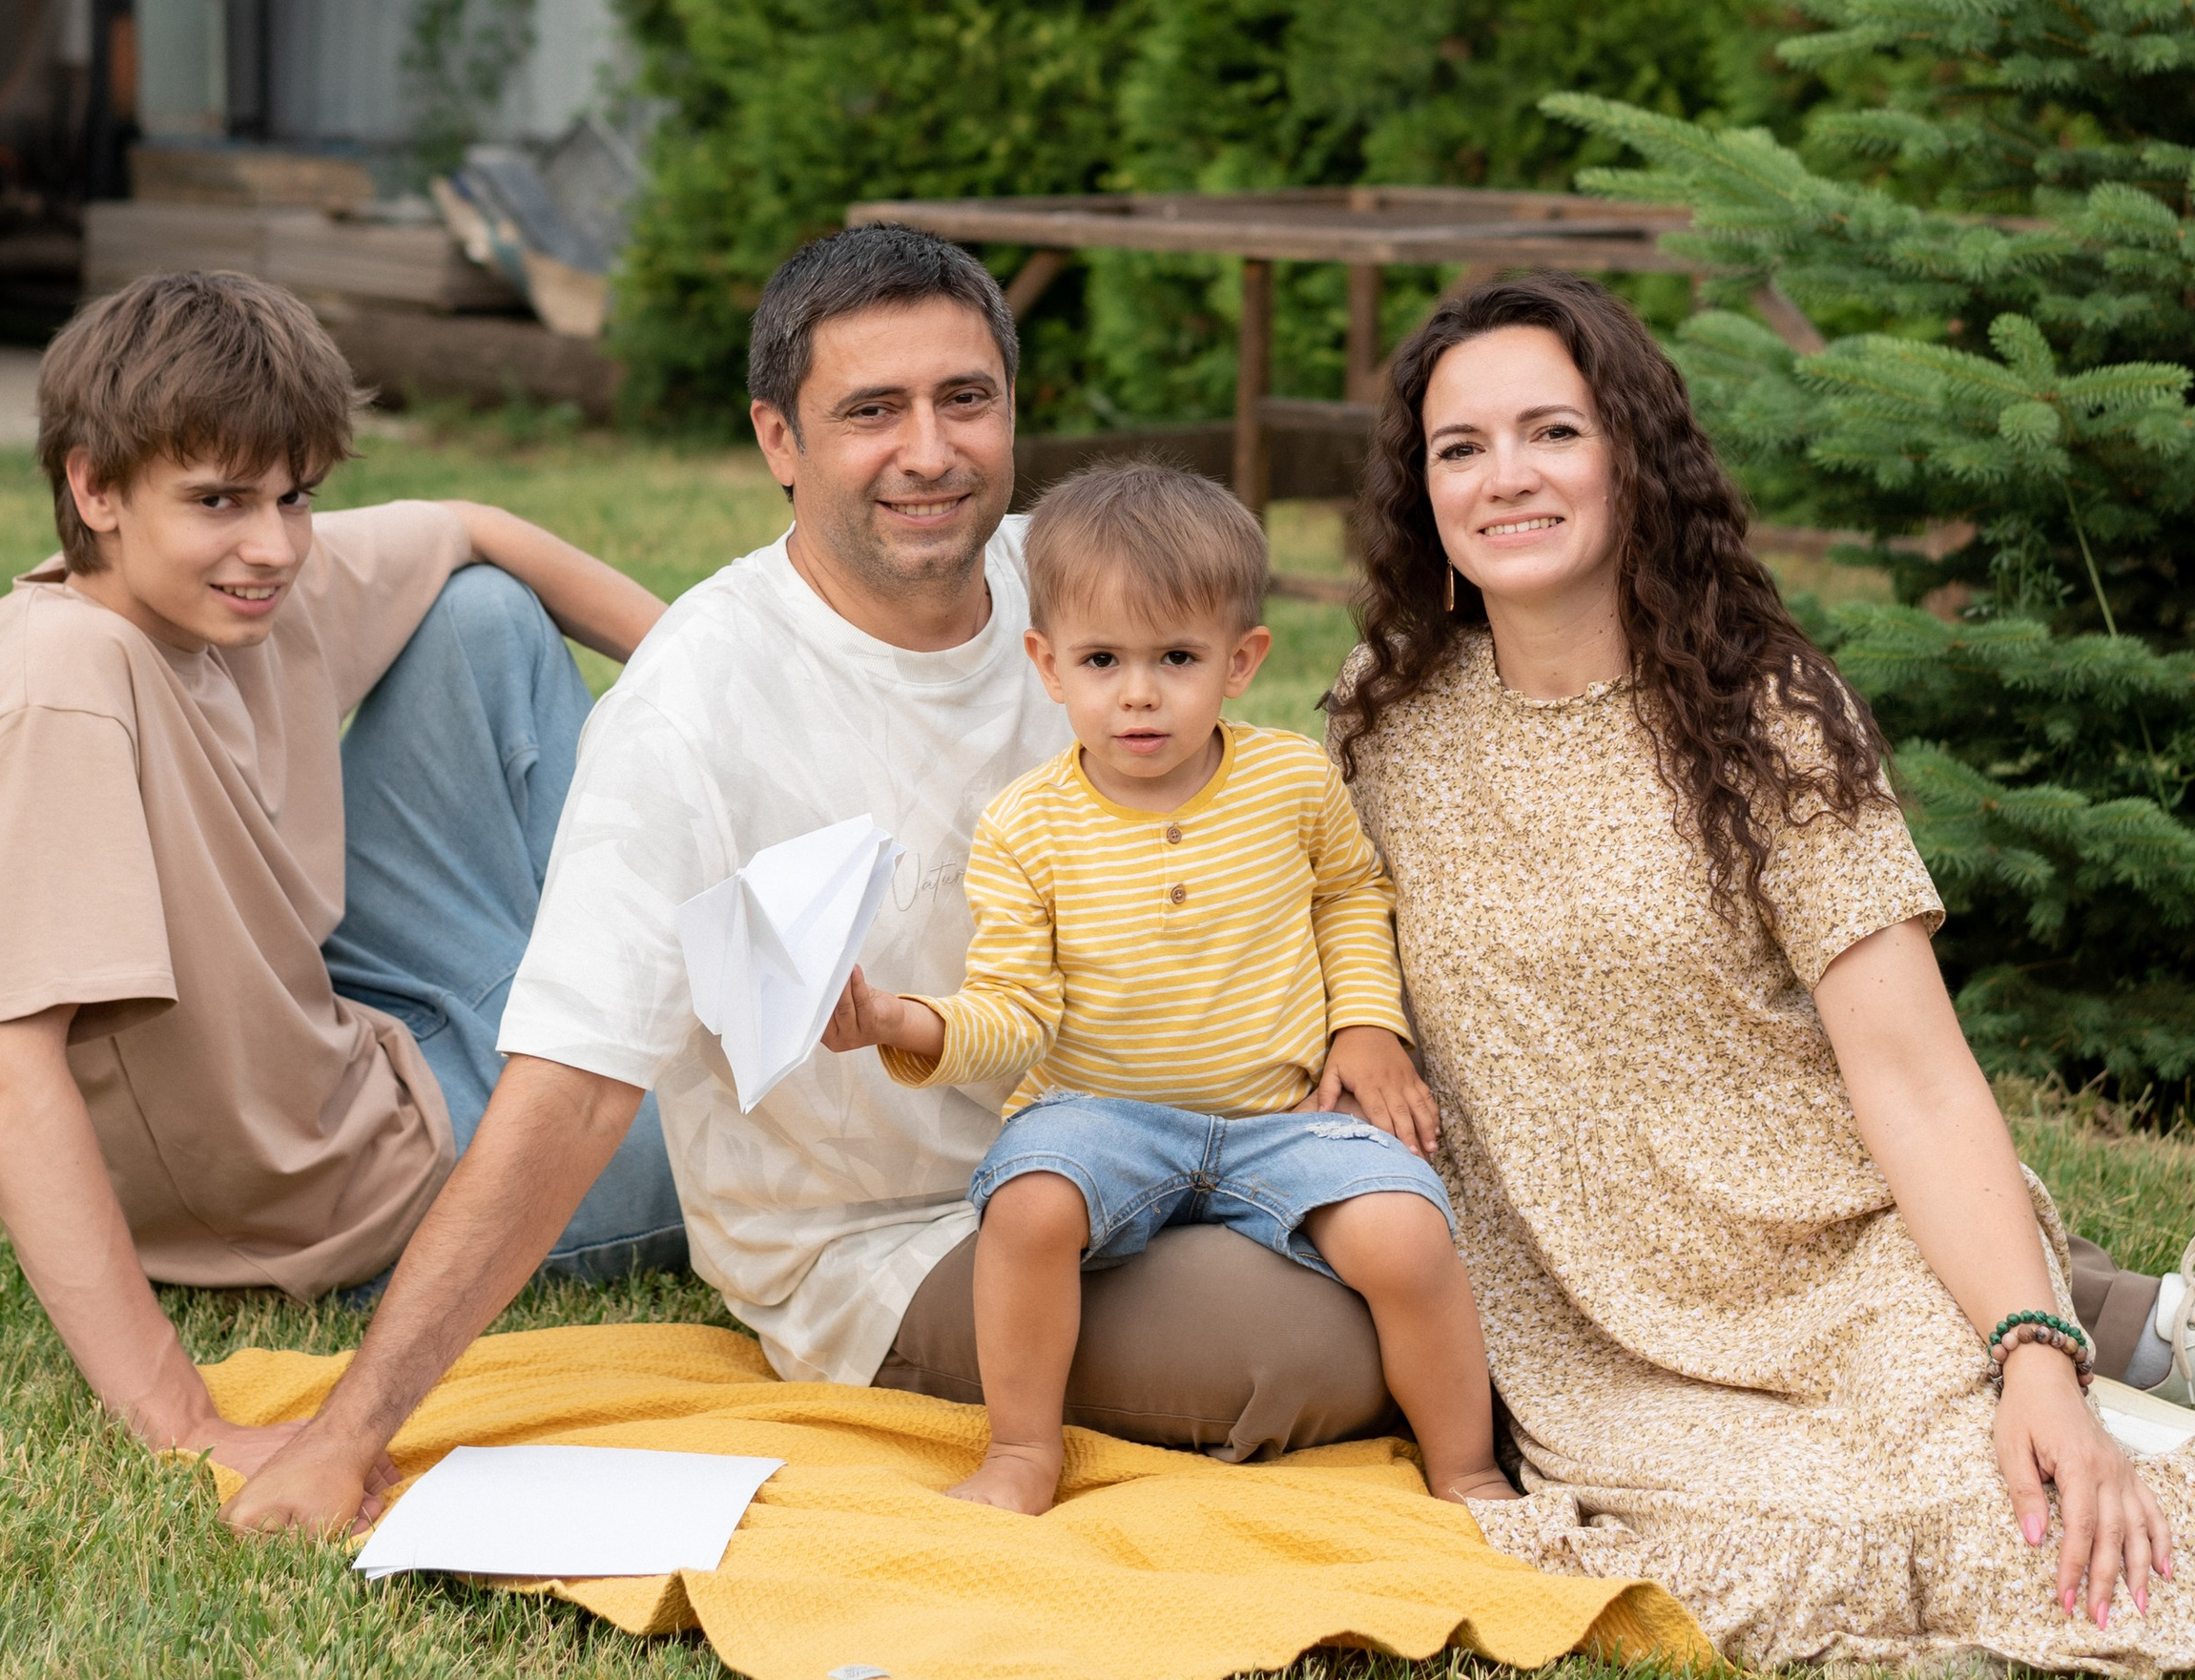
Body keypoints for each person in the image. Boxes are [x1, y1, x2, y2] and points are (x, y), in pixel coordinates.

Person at [225, 225, 1403, 1540]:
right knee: (1308, 1350)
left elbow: (1276, 825)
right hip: (902, 1234)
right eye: (870, 411)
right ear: (779, 439)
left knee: (1420, 1240)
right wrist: (350, 1434)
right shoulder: (692, 708)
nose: (930, 450)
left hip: (1166, 1138)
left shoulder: (1077, 588)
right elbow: (567, 1088)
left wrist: (1358, 1023)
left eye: (966, 399)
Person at [1329, 271, 2195, 1679]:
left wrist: (2030, 1351)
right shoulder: (1380, 719)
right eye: (1459, 447)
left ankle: (2131, 1391)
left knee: (2018, 1512)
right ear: (1422, 492)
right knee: (1780, 1549)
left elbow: (1916, 1076)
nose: (1505, 477)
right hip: (1599, 1332)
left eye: (1553, 432)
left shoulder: (1760, 712)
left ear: (1631, 459)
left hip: (1843, 1265)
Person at [0, 270, 683, 1497]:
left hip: (368, 1035)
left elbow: (471, 524)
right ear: (93, 486)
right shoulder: (60, 688)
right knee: (765, 1132)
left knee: (482, 614)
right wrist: (186, 1418)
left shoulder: (237, 589)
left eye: (295, 497)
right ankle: (696, 1043)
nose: (273, 546)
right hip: (339, 1200)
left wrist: (741, 688)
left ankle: (669, 1013)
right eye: (219, 500)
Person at [824, 462, 1508, 1516]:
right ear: (1048, 667)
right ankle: (1019, 1452)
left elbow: (1348, 894)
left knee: (1407, 1234)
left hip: (1281, 1116)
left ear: (1241, 662)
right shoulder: (1026, 826)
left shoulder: (1288, 781)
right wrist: (901, 1021)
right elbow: (1012, 1009)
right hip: (1098, 1117)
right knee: (1028, 1203)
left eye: (1175, 658)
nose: (1137, 693)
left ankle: (1464, 1466)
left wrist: (1367, 1024)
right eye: (1102, 659)